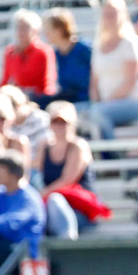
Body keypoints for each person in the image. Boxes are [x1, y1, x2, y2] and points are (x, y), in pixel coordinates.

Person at [35, 101, 104, 239]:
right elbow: (35, 171)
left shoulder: (78, 146)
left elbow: (67, 180)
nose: (59, 126)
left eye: (63, 122)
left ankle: (67, 239)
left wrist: (40, 196)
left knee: (55, 200)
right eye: (55, 122)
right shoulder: (44, 146)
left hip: (78, 208)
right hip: (50, 205)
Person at [87, 0, 138, 141]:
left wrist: (105, 102)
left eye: (114, 13)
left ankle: (110, 153)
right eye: (106, 13)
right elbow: (94, 81)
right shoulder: (99, 44)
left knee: (98, 113)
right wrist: (96, 100)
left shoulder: (130, 42)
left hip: (132, 102)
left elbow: (130, 81)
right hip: (103, 104)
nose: (109, 17)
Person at [0, 10, 57, 101]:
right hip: (17, 100)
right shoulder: (10, 52)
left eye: (26, 27)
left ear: (35, 30)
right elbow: (5, 81)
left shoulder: (43, 51)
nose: (21, 32)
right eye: (19, 27)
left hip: (37, 99)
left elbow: (48, 83)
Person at [40, 8, 92, 107]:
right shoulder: (57, 53)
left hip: (85, 99)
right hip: (69, 98)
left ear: (59, 30)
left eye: (48, 29)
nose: (45, 34)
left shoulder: (85, 49)